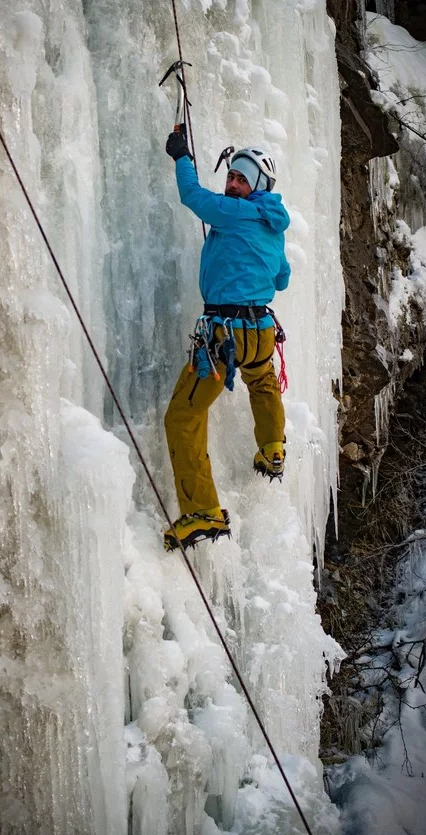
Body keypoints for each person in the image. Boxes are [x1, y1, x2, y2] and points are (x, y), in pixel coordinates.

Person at [163, 128, 291, 552]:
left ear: (256, 188)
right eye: (232, 176)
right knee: (262, 381)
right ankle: (272, 448)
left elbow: (194, 198)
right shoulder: (273, 226)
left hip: (226, 335)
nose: (233, 184)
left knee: (182, 416)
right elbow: (283, 278)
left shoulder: (237, 213)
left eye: (242, 179)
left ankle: (203, 512)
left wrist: (182, 156)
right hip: (260, 332)